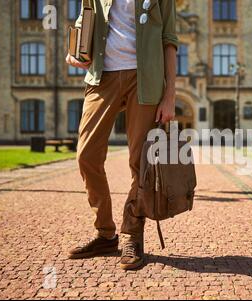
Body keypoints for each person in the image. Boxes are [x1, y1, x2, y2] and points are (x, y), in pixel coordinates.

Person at [65, 0, 178, 270]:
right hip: (101, 77)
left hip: (145, 78)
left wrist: (170, 94)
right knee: (86, 155)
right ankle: (105, 233)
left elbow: (169, 39)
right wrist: (74, 51)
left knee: (141, 164)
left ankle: (132, 234)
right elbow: (84, 21)